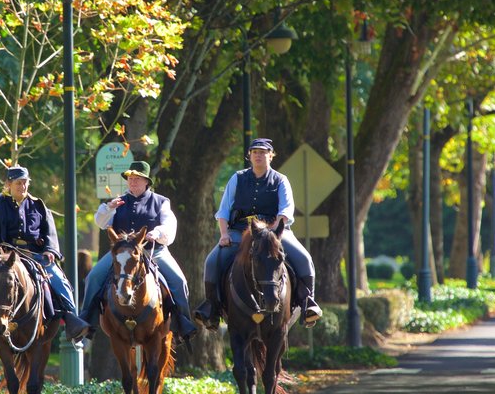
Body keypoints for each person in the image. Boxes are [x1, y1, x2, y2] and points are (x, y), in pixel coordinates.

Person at [194, 138, 323, 330]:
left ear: (271, 156)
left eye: (263, 152)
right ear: (249, 156)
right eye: (255, 152)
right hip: (240, 231)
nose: (258, 155)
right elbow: (223, 211)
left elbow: (285, 212)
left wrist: (272, 234)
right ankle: (212, 308)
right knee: (212, 261)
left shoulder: (281, 180)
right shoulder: (237, 178)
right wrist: (223, 234)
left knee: (304, 258)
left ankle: (308, 304)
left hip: (275, 232)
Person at [0, 165, 91, 344]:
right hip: (5, 257)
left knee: (60, 280)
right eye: (18, 183)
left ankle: (71, 320)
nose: (22, 187)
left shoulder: (39, 206)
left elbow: (49, 232)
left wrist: (50, 250)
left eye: (25, 183)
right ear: (8, 184)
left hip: (35, 255)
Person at [78, 160, 197, 343]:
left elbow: (169, 225)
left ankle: (182, 325)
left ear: (146, 181)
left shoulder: (161, 202)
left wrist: (156, 232)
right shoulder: (118, 202)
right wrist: (108, 208)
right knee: (93, 277)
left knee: (178, 280)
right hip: (123, 255)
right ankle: (86, 323)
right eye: (130, 178)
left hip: (153, 251)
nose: (132, 182)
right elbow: (101, 223)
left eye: (137, 179)